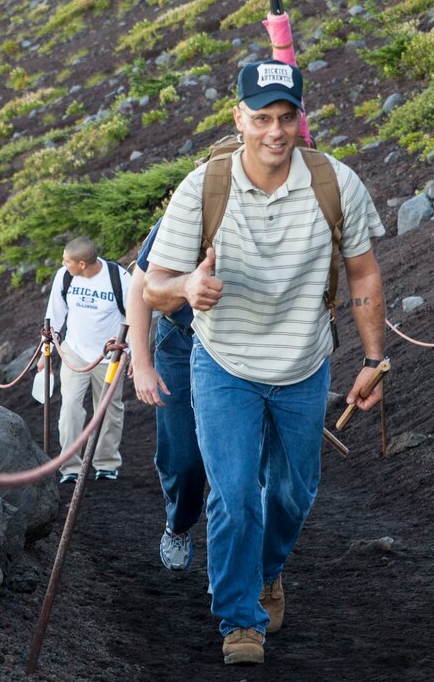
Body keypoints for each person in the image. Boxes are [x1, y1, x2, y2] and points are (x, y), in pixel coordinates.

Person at [143, 59, 387, 666]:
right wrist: (186, 292)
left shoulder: (336, 184)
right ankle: (239, 619)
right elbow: (153, 286)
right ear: (239, 118)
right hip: (223, 363)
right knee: (233, 495)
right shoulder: (206, 186)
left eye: (285, 117)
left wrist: (376, 359)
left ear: (299, 118)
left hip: (305, 365)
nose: (274, 132)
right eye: (261, 119)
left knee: (293, 492)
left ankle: (268, 570)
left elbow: (362, 272)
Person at [128, 219, 206, 571]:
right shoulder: (189, 206)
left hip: (244, 347)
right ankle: (178, 524)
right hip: (181, 340)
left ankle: (244, 565)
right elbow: (140, 284)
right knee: (185, 458)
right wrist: (141, 361)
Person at [39, 237, 130, 483]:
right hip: (74, 352)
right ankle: (70, 466)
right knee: (70, 408)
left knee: (110, 409)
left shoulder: (119, 279)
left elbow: (135, 317)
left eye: (66, 261)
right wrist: (44, 353)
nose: (62, 264)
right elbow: (55, 315)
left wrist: (132, 354)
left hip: (110, 357)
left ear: (82, 264)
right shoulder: (65, 276)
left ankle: (106, 462)